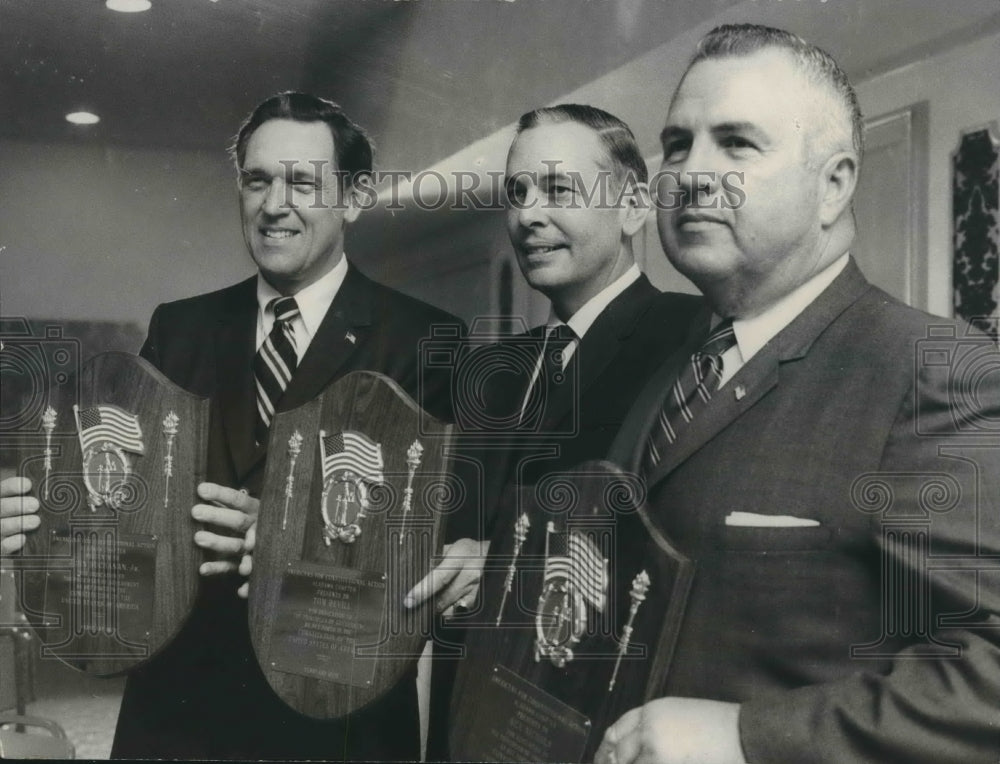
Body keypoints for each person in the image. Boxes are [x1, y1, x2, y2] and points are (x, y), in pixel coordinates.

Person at [2, 91, 463, 760]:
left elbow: (421, 547)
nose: (275, 203)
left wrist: (280, 539)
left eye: (302, 181)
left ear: (355, 197)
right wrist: (41, 528)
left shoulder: (426, 338)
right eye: (257, 179)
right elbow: (128, 509)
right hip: (182, 709)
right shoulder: (181, 326)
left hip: (334, 717)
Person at [593, 25, 1000, 764]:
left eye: (737, 144)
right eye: (678, 144)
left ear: (834, 183)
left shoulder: (928, 371)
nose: (691, 173)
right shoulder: (671, 367)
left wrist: (749, 738)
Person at [406, 104, 699, 760]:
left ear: (631, 208)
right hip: (472, 726)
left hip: (595, 726)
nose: (527, 215)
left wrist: (507, 568)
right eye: (518, 193)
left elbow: (681, 552)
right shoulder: (490, 370)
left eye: (559, 189)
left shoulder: (689, 340)